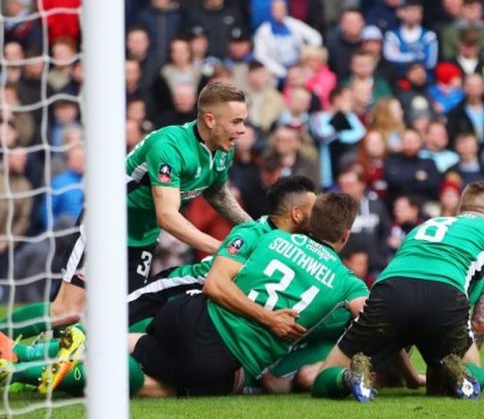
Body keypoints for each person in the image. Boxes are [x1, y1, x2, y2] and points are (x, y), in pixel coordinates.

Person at [0, 82, 252, 340]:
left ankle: (63, 371)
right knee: (68, 311)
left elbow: (217, 193)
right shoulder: (169, 145)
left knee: (123, 317)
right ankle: (3, 337)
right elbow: (167, 216)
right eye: (236, 121)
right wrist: (223, 249)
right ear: (210, 120)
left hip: (142, 239)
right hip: (106, 226)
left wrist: (256, 229)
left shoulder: (222, 151)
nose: (242, 129)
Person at [129, 193, 367, 396]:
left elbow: (214, 283)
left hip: (186, 314)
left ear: (310, 220)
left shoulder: (271, 237)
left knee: (136, 346)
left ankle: (95, 357)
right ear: (345, 235)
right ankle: (112, 376)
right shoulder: (346, 281)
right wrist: (270, 319)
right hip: (220, 358)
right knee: (169, 385)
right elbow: (374, 317)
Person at [311, 181, 484, 402]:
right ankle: (462, 375)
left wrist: (408, 374)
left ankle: (348, 378)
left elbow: (405, 310)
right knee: (474, 369)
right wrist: (461, 352)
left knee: (323, 378)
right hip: (445, 293)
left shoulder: (425, 226)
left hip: (388, 291)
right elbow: (481, 319)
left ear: (459, 211)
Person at [127, 175, 317, 333]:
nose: (319, 214)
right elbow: (214, 285)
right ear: (297, 214)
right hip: (176, 288)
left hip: (200, 317)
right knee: (111, 329)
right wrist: (269, 319)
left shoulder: (294, 248)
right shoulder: (253, 234)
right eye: (314, 209)